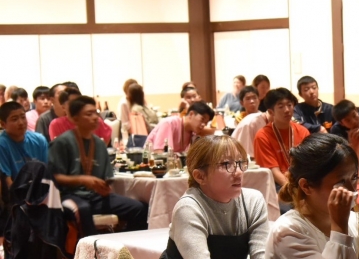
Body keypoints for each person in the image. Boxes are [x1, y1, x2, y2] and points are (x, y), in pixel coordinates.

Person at [48, 96, 148, 237]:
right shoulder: (62, 142)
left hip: (96, 197)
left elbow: (106, 177)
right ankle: (89, 249)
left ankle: (124, 245)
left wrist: (105, 187)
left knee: (139, 208)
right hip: (69, 196)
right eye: (89, 114)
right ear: (75, 119)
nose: (95, 117)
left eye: (95, 113)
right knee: (82, 209)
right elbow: (55, 177)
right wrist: (82, 180)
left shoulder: (99, 144)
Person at [253, 88, 310, 187]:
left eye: (289, 105)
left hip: (301, 181)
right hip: (276, 184)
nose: (287, 110)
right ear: (271, 112)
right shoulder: (262, 136)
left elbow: (308, 163)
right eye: (281, 106)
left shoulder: (303, 131)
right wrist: (293, 190)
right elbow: (273, 171)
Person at [0, 101, 48, 186]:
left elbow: (47, 172)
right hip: (16, 191)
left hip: (40, 189)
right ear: (3, 124)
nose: (21, 122)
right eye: (15, 119)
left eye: (23, 117)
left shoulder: (39, 140)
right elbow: (8, 182)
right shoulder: (2, 144)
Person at [146, 101, 214, 152]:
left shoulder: (193, 132)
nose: (203, 125)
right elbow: (160, 152)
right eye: (202, 119)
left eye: (206, 123)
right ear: (191, 114)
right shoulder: (169, 123)